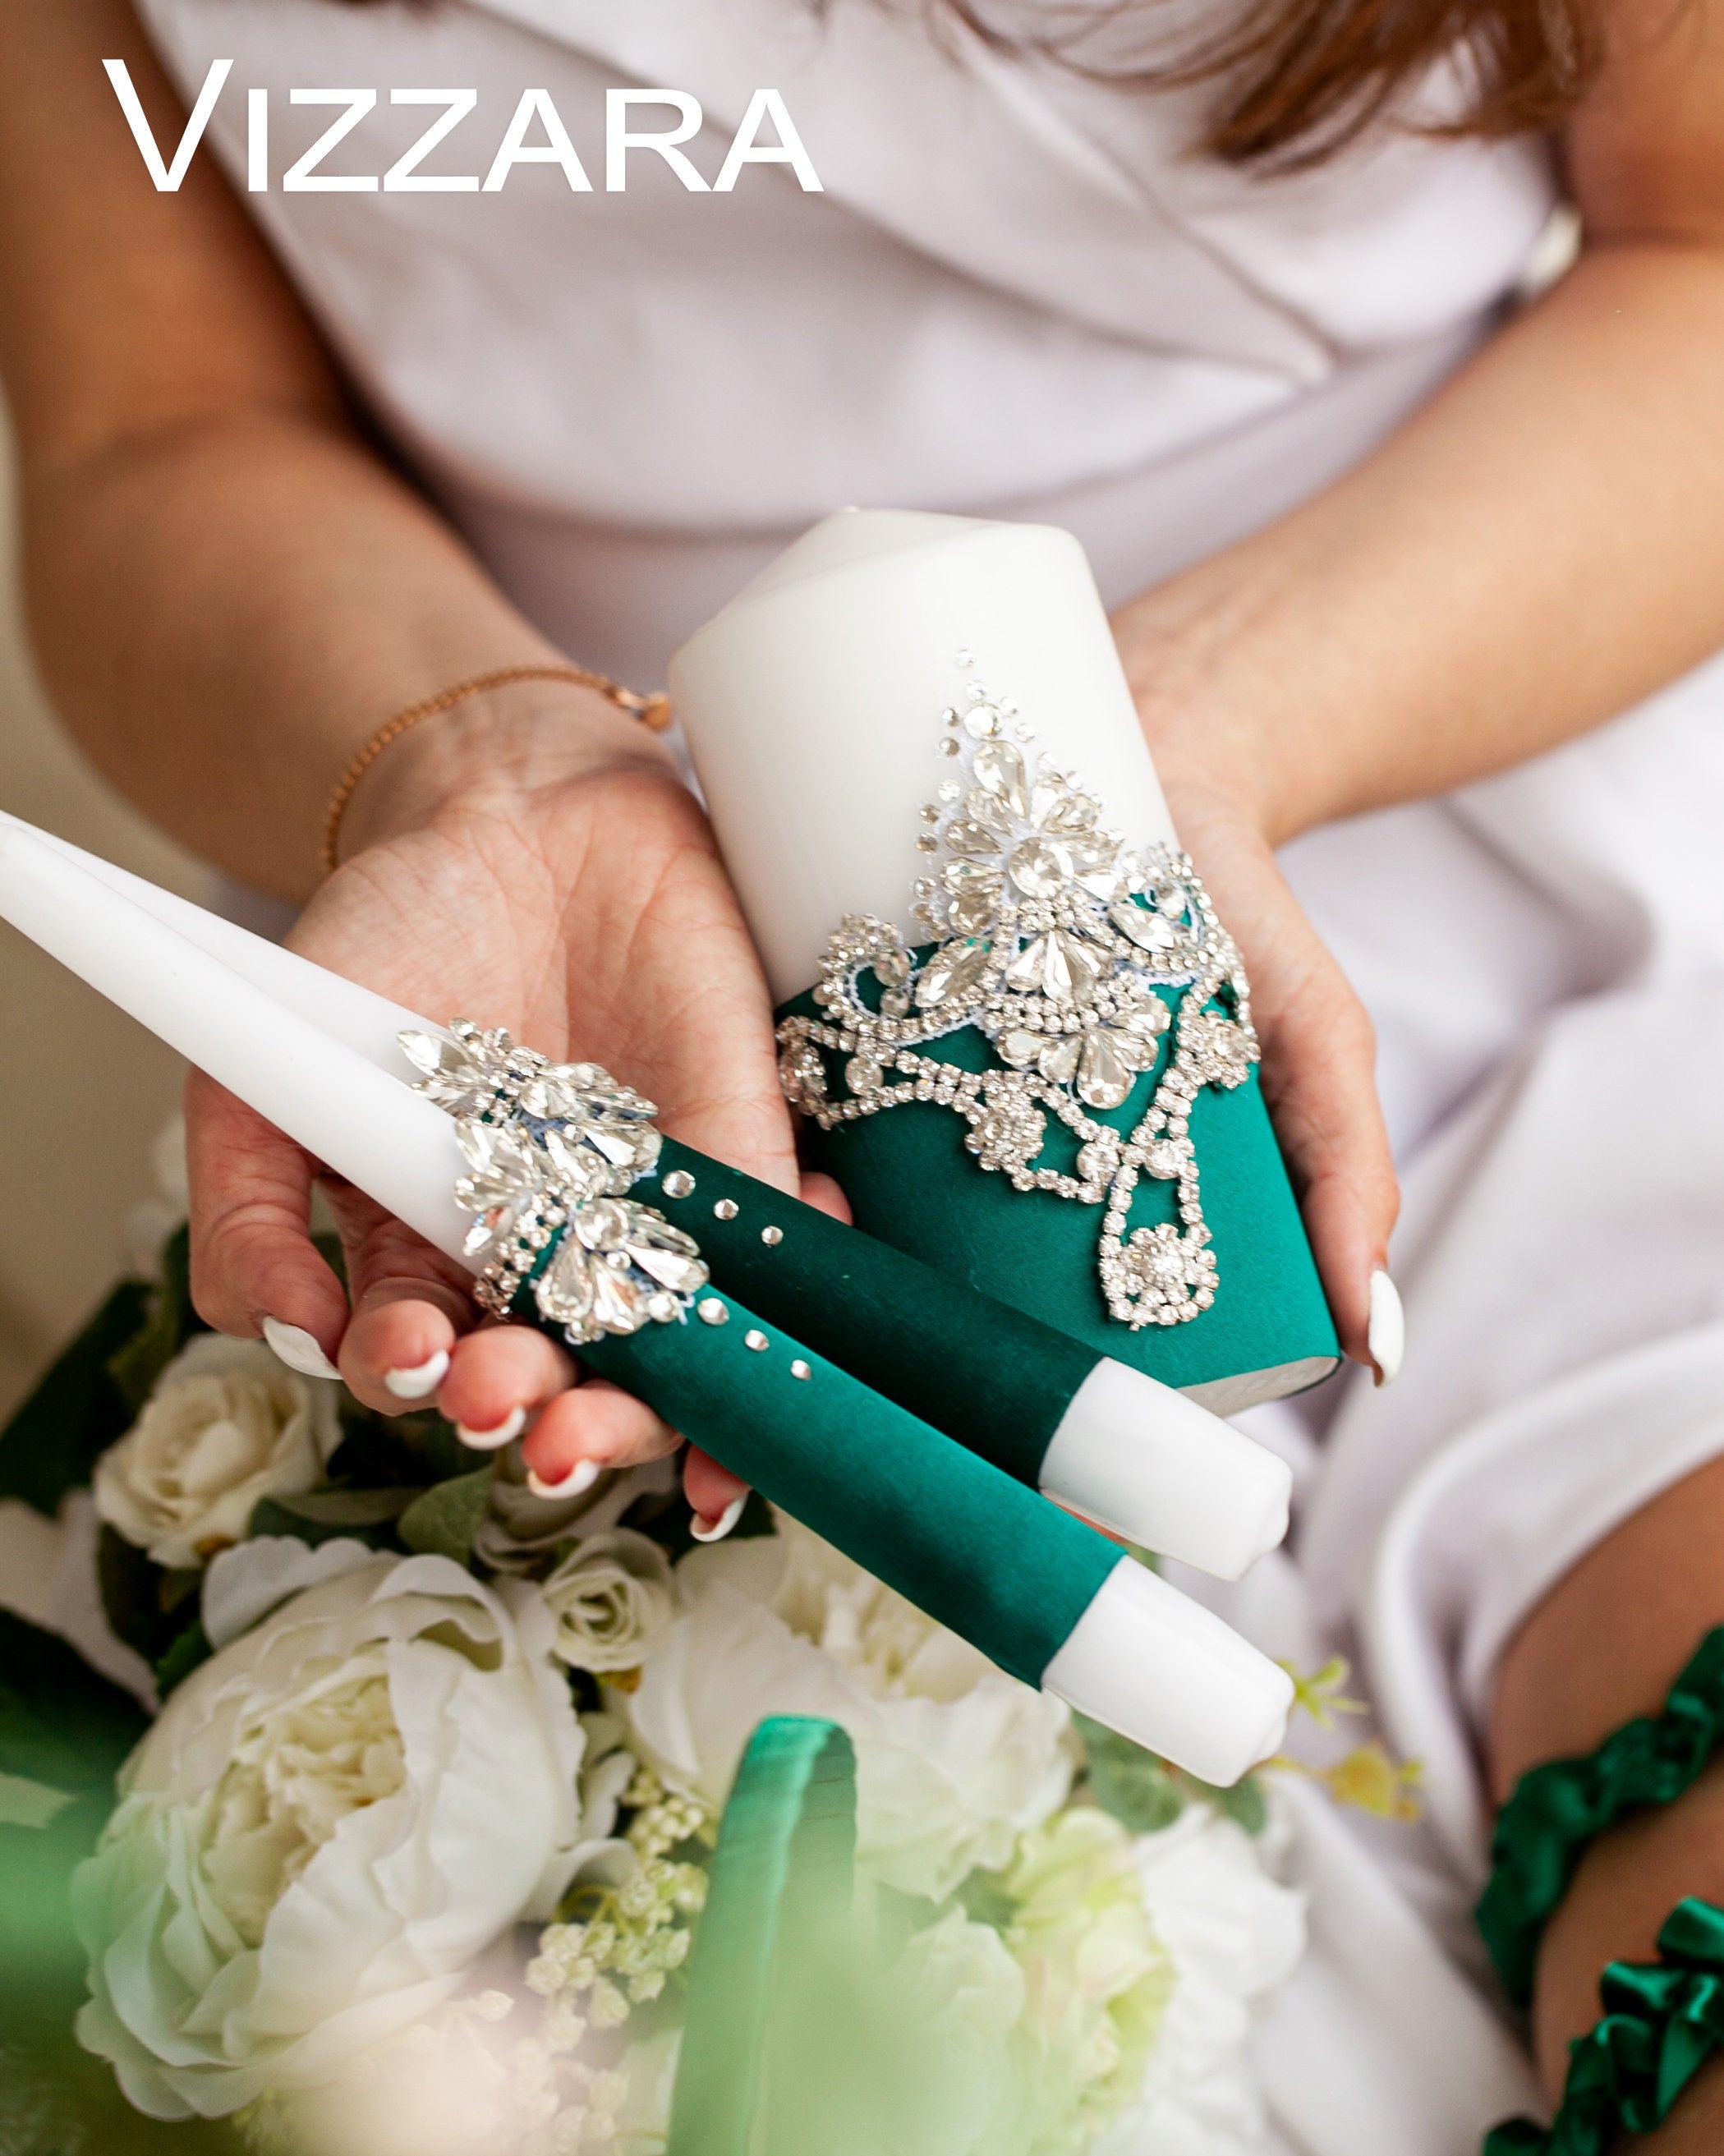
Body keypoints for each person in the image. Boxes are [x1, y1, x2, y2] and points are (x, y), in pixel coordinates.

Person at [1, 0, 1722, 2139]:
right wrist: (482, 769)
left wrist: (1160, 746)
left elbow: (1705, 252)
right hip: (617, 1044)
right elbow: (151, 423)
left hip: (1529, 907)